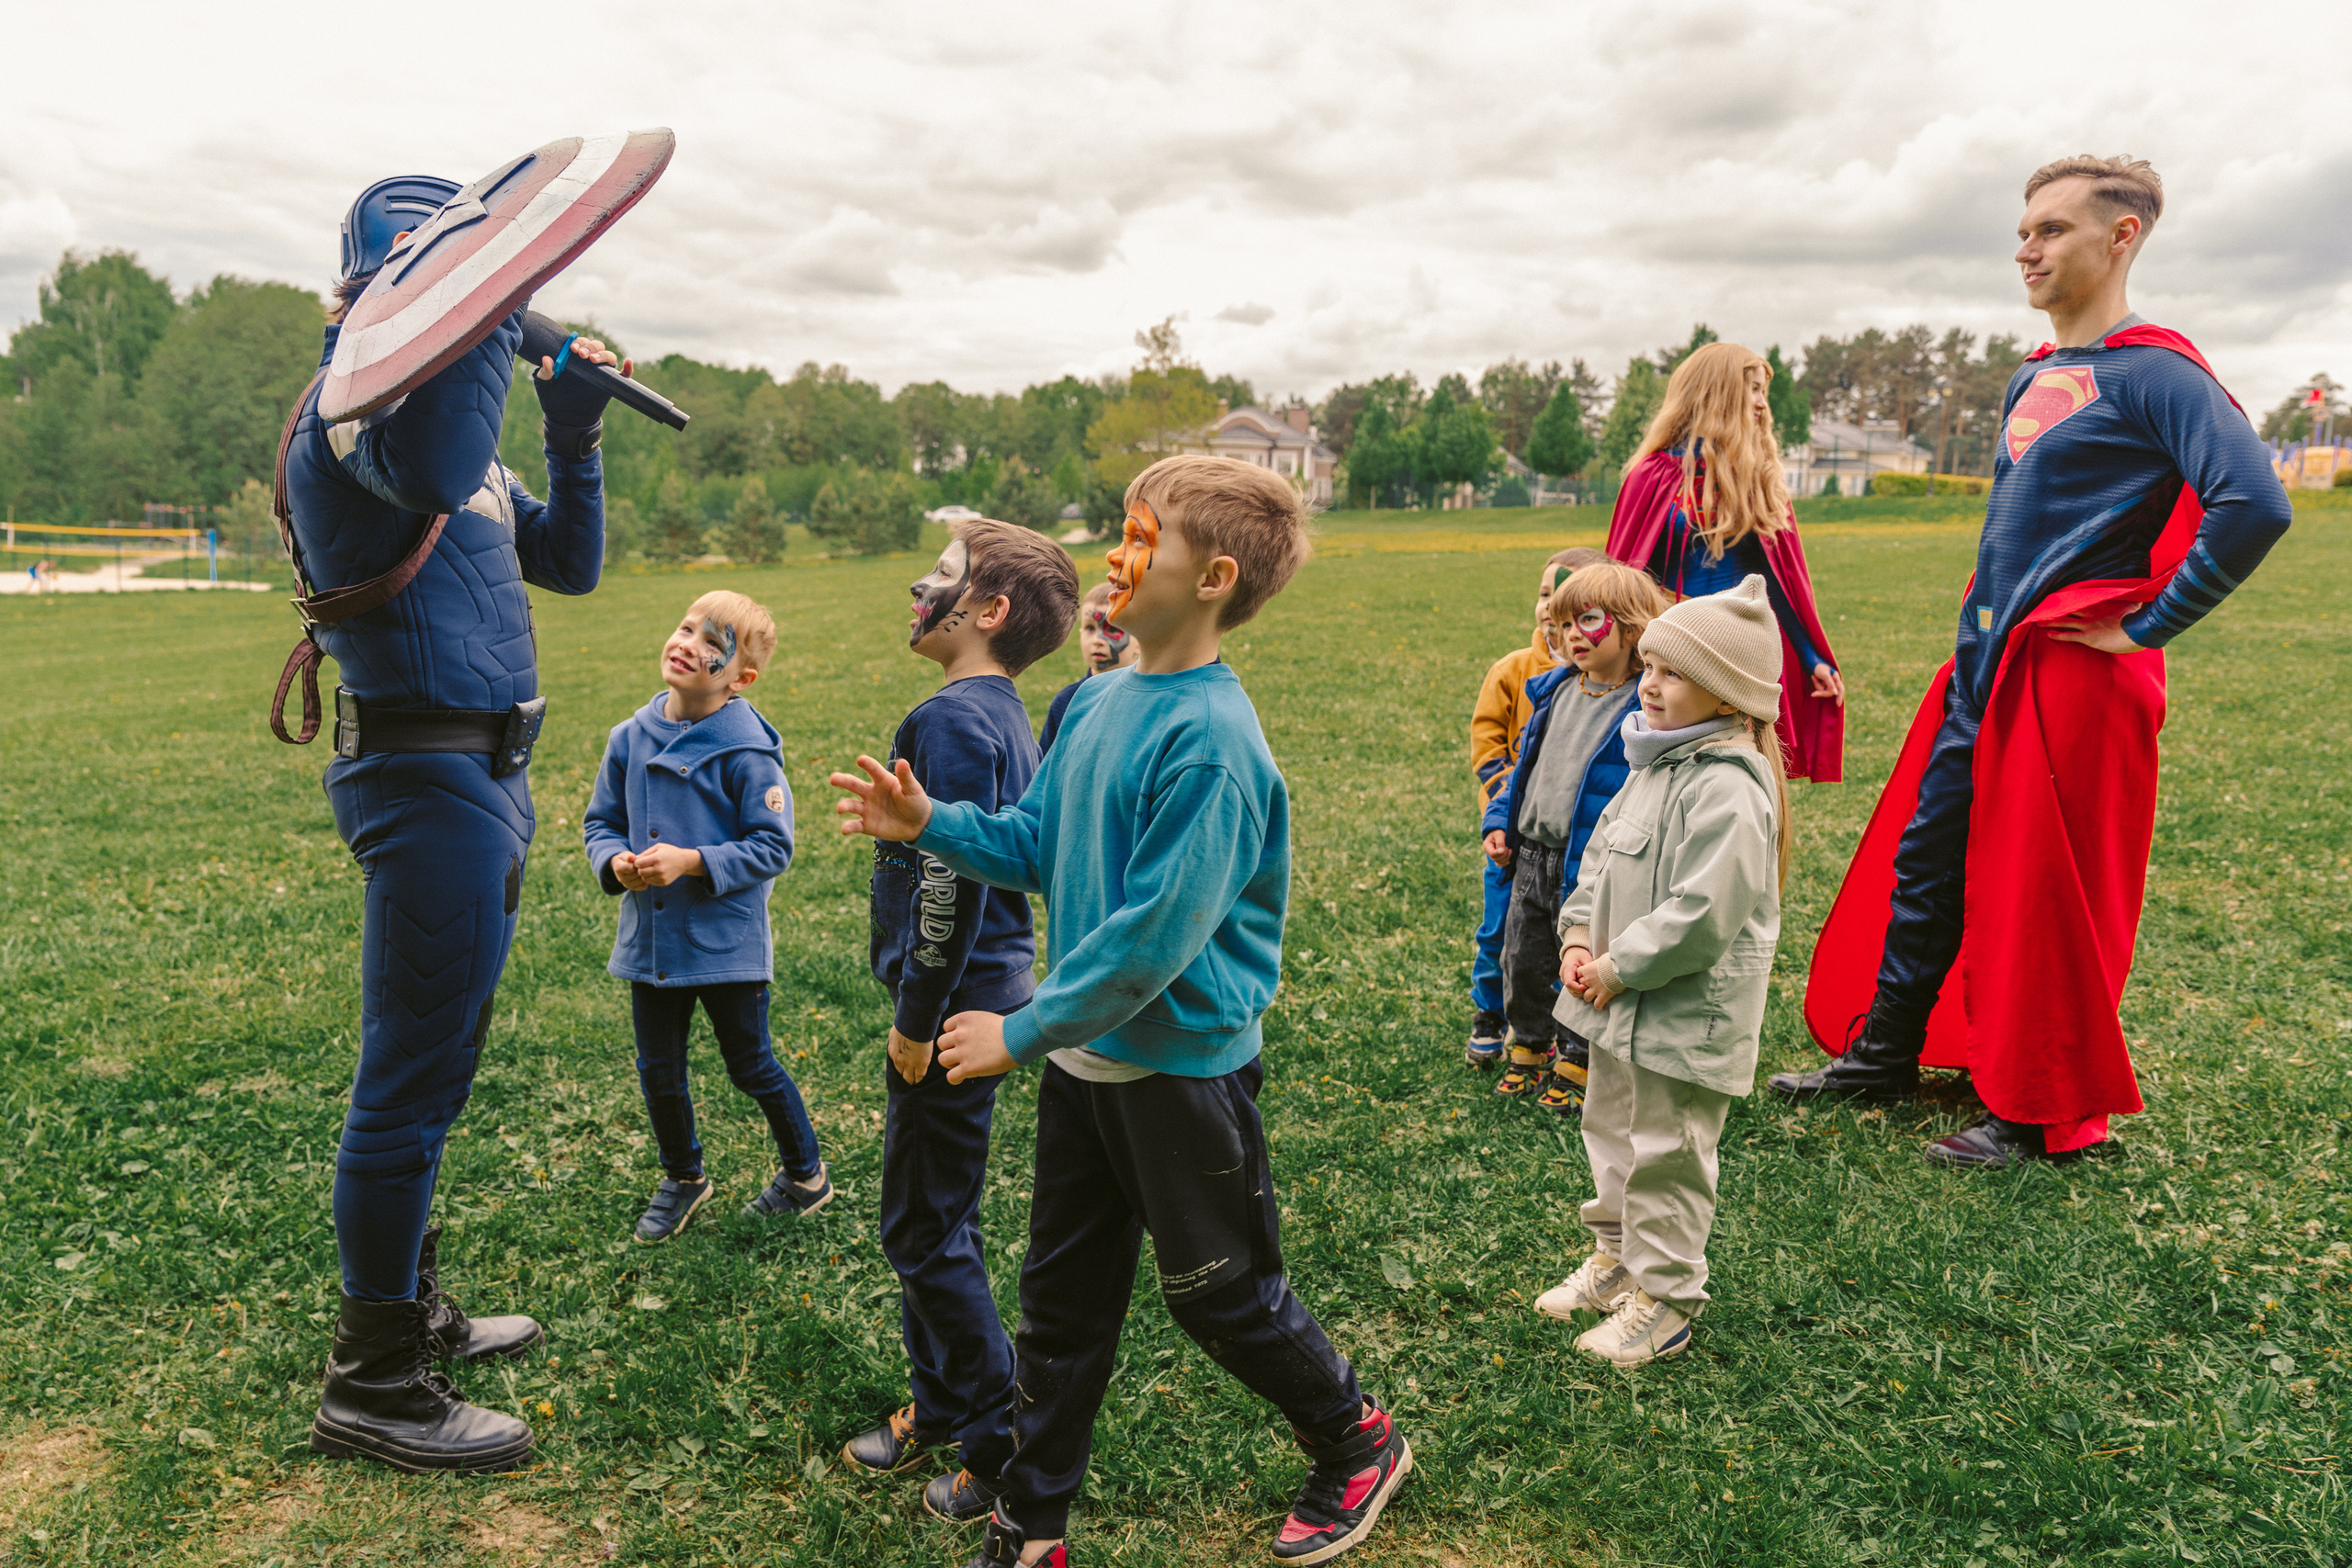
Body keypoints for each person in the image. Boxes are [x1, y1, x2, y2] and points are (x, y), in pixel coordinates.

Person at [832, 454, 1409, 1568]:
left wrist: (1020, 1029)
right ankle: (1031, 1526)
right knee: (1059, 1307)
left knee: (1223, 1298)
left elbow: (1150, 944)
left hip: (1178, 1075)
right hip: (1085, 1069)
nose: (1114, 555)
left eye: (1142, 540)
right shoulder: (1097, 699)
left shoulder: (1214, 746)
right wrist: (932, 822)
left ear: (1212, 578)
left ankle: (1355, 1440)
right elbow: (1036, 847)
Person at [1779, 155, 2292, 1168]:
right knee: (1929, 864)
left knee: (2037, 891)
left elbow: (2254, 502)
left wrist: (2146, 624)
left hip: (2063, 681)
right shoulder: (2036, 371)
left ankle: (2032, 1107)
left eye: (2053, 229)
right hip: (1983, 668)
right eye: (2024, 229)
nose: (2027, 246)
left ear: (2121, 237)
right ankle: (1883, 1055)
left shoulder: (2157, 373)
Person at [284, 175, 623, 1472]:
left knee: (442, 1068)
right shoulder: (353, 413)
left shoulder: (449, 443)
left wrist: (573, 432)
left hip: (486, 781)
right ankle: (373, 1381)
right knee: (406, 1086)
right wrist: (496, 320)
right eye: (465, 289)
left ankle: (410, 1306)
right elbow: (423, 461)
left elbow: (570, 562)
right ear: (393, 291)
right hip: (424, 781)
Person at [841, 519, 1079, 1528]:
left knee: (922, 1229)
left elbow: (952, 884)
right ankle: (939, 1400)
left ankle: (998, 1439)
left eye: (938, 577)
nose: (915, 586)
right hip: (972, 1000)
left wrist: (914, 1016)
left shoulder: (951, 723)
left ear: (985, 612)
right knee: (938, 1215)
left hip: (951, 1015)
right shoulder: (995, 711)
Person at [1534, 577, 1789, 1365]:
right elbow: (1600, 861)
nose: (1648, 683)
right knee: (1610, 1130)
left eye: (1672, 672)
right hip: (1615, 1003)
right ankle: (1617, 1259)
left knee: (1667, 1153)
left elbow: (1700, 916)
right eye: (1648, 666)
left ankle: (1666, 1299)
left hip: (1682, 1015)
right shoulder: (1654, 765)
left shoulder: (1731, 789)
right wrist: (1578, 936)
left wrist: (1617, 966)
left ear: (1726, 693)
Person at [582, 591, 828, 1245]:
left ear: (740, 678)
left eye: (713, 643)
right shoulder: (628, 737)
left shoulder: (749, 753)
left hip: (725, 945)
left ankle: (807, 1174)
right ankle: (683, 1175)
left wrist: (693, 860)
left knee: (751, 1064)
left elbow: (773, 845)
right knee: (657, 1068)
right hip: (652, 940)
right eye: (686, 627)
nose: (690, 643)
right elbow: (599, 822)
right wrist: (615, 863)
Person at [1607, 342, 1845, 783]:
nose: (1761, 403)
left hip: (1740, 648)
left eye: (1763, 392)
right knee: (1660, 767)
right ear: (1716, 393)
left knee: (1741, 769)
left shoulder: (1757, 476)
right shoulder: (1653, 474)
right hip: (1673, 646)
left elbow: (1779, 581)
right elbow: (1626, 576)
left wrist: (1812, 657)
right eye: (1752, 389)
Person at [1484, 560, 1668, 1111]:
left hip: (1589, 865)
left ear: (1632, 628)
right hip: (1532, 856)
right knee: (1523, 957)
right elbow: (1524, 769)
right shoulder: (1555, 690)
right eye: (1563, 624)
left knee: (1581, 964)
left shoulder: (1644, 706)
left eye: (1586, 620)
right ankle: (1530, 1044)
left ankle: (1578, 1056)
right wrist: (1500, 820)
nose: (1569, 636)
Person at [1464, 547, 1593, 1066]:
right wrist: (1503, 806)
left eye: (1563, 597)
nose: (1548, 606)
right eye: (1543, 594)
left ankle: (1560, 1032)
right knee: (1501, 931)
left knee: (1560, 937)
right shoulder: (1515, 669)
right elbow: (1488, 741)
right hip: (1512, 836)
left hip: (1566, 843)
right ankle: (1489, 1014)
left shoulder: (1602, 678)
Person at [1038, 580, 1137, 755]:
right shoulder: (1067, 702)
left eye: (1112, 629)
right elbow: (1045, 769)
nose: (1097, 640)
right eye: (1090, 628)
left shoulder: (1147, 701)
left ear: (1139, 642)